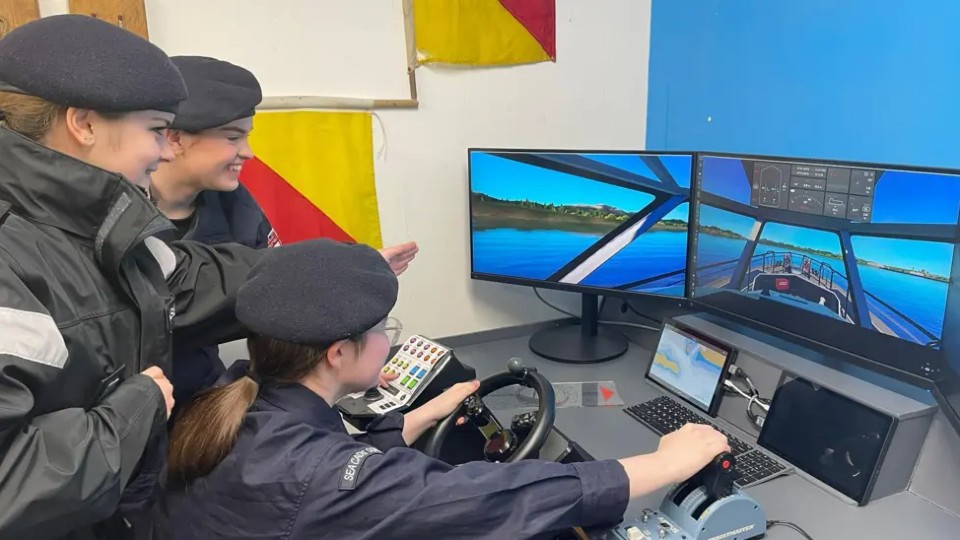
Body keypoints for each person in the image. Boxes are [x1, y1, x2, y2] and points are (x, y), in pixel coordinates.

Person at [157, 238, 730, 539]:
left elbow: (328, 462)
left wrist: (421, 414)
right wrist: (663, 465)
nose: (389, 342)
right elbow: (490, 499)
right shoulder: (314, 475)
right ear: (337, 353)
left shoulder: (236, 399)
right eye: (382, 331)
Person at [0, 15, 265, 539]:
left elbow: (186, 279)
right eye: (155, 130)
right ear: (85, 124)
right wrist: (137, 407)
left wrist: (318, 269)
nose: (167, 151)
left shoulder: (95, 228)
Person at [148, 56, 418, 413]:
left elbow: (282, 301)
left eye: (246, 136)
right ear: (175, 138)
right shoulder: (119, 216)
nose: (248, 152)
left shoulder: (235, 205)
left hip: (199, 396)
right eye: (232, 137)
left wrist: (347, 367)